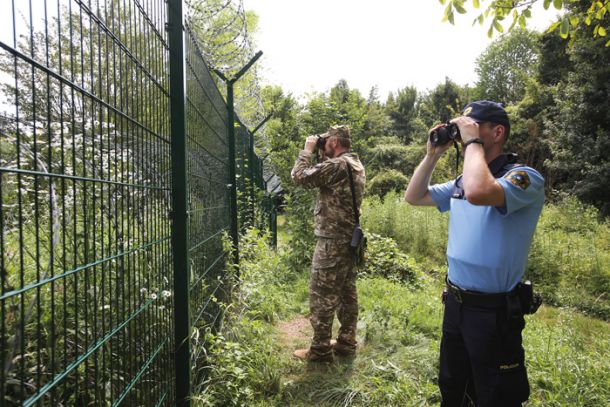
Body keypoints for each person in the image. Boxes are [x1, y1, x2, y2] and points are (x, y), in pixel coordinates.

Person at [404, 100, 544, 406]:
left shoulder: (524, 177)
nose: (463, 134)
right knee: (453, 387)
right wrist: (431, 155)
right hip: (456, 304)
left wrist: (472, 144)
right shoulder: (461, 182)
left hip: (493, 313)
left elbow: (481, 191)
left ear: (496, 132)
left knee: (495, 394)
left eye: (473, 127)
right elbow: (414, 196)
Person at [290, 125, 366, 362]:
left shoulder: (336, 165)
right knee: (346, 293)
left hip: (332, 243)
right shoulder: (353, 163)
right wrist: (321, 153)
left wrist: (307, 150)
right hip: (348, 240)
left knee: (321, 296)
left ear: (334, 141)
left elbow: (299, 177)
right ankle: (346, 342)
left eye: (326, 142)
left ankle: (320, 351)